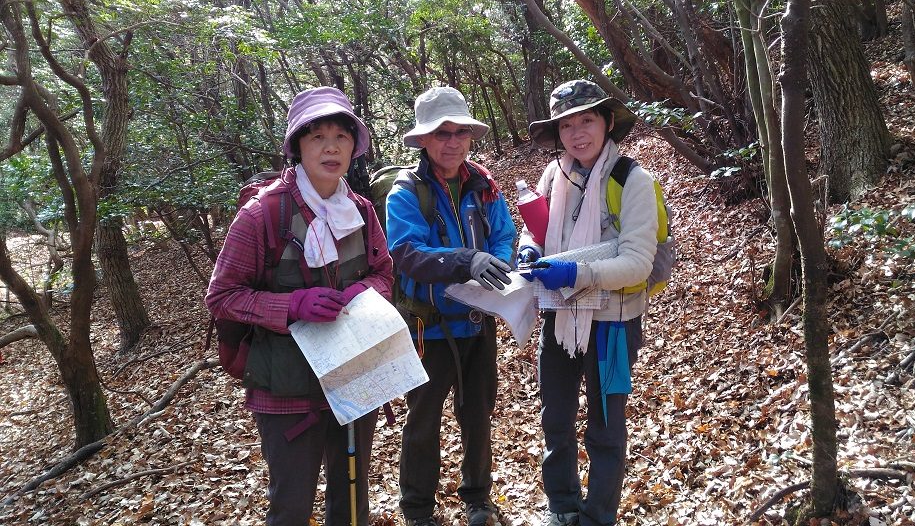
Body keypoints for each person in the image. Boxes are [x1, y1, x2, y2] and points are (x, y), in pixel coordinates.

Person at [206, 86, 392, 526]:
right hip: (286, 389)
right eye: (317, 137)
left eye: (342, 136)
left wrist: (362, 294)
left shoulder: (360, 210)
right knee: (291, 503)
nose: (331, 147)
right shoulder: (262, 215)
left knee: (351, 500)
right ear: (297, 148)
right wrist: (293, 305)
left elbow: (384, 272)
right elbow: (222, 296)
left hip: (352, 373)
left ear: (354, 146)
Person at [517, 80, 658, 526]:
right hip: (559, 316)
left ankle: (598, 516)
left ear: (607, 122)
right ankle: (562, 506)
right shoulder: (554, 175)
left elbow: (638, 262)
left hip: (613, 322)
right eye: (567, 124)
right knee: (555, 418)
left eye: (587, 120)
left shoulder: (632, 180)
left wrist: (578, 274)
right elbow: (536, 230)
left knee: (606, 427)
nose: (578, 133)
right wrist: (529, 249)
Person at [386, 86, 516, 526]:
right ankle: (418, 510)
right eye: (442, 133)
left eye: (461, 132)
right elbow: (406, 254)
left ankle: (478, 498)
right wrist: (467, 261)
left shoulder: (483, 186)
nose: (453, 141)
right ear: (423, 140)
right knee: (423, 421)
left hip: (478, 323)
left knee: (477, 413)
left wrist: (499, 264)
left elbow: (504, 235)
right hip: (429, 327)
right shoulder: (406, 192)